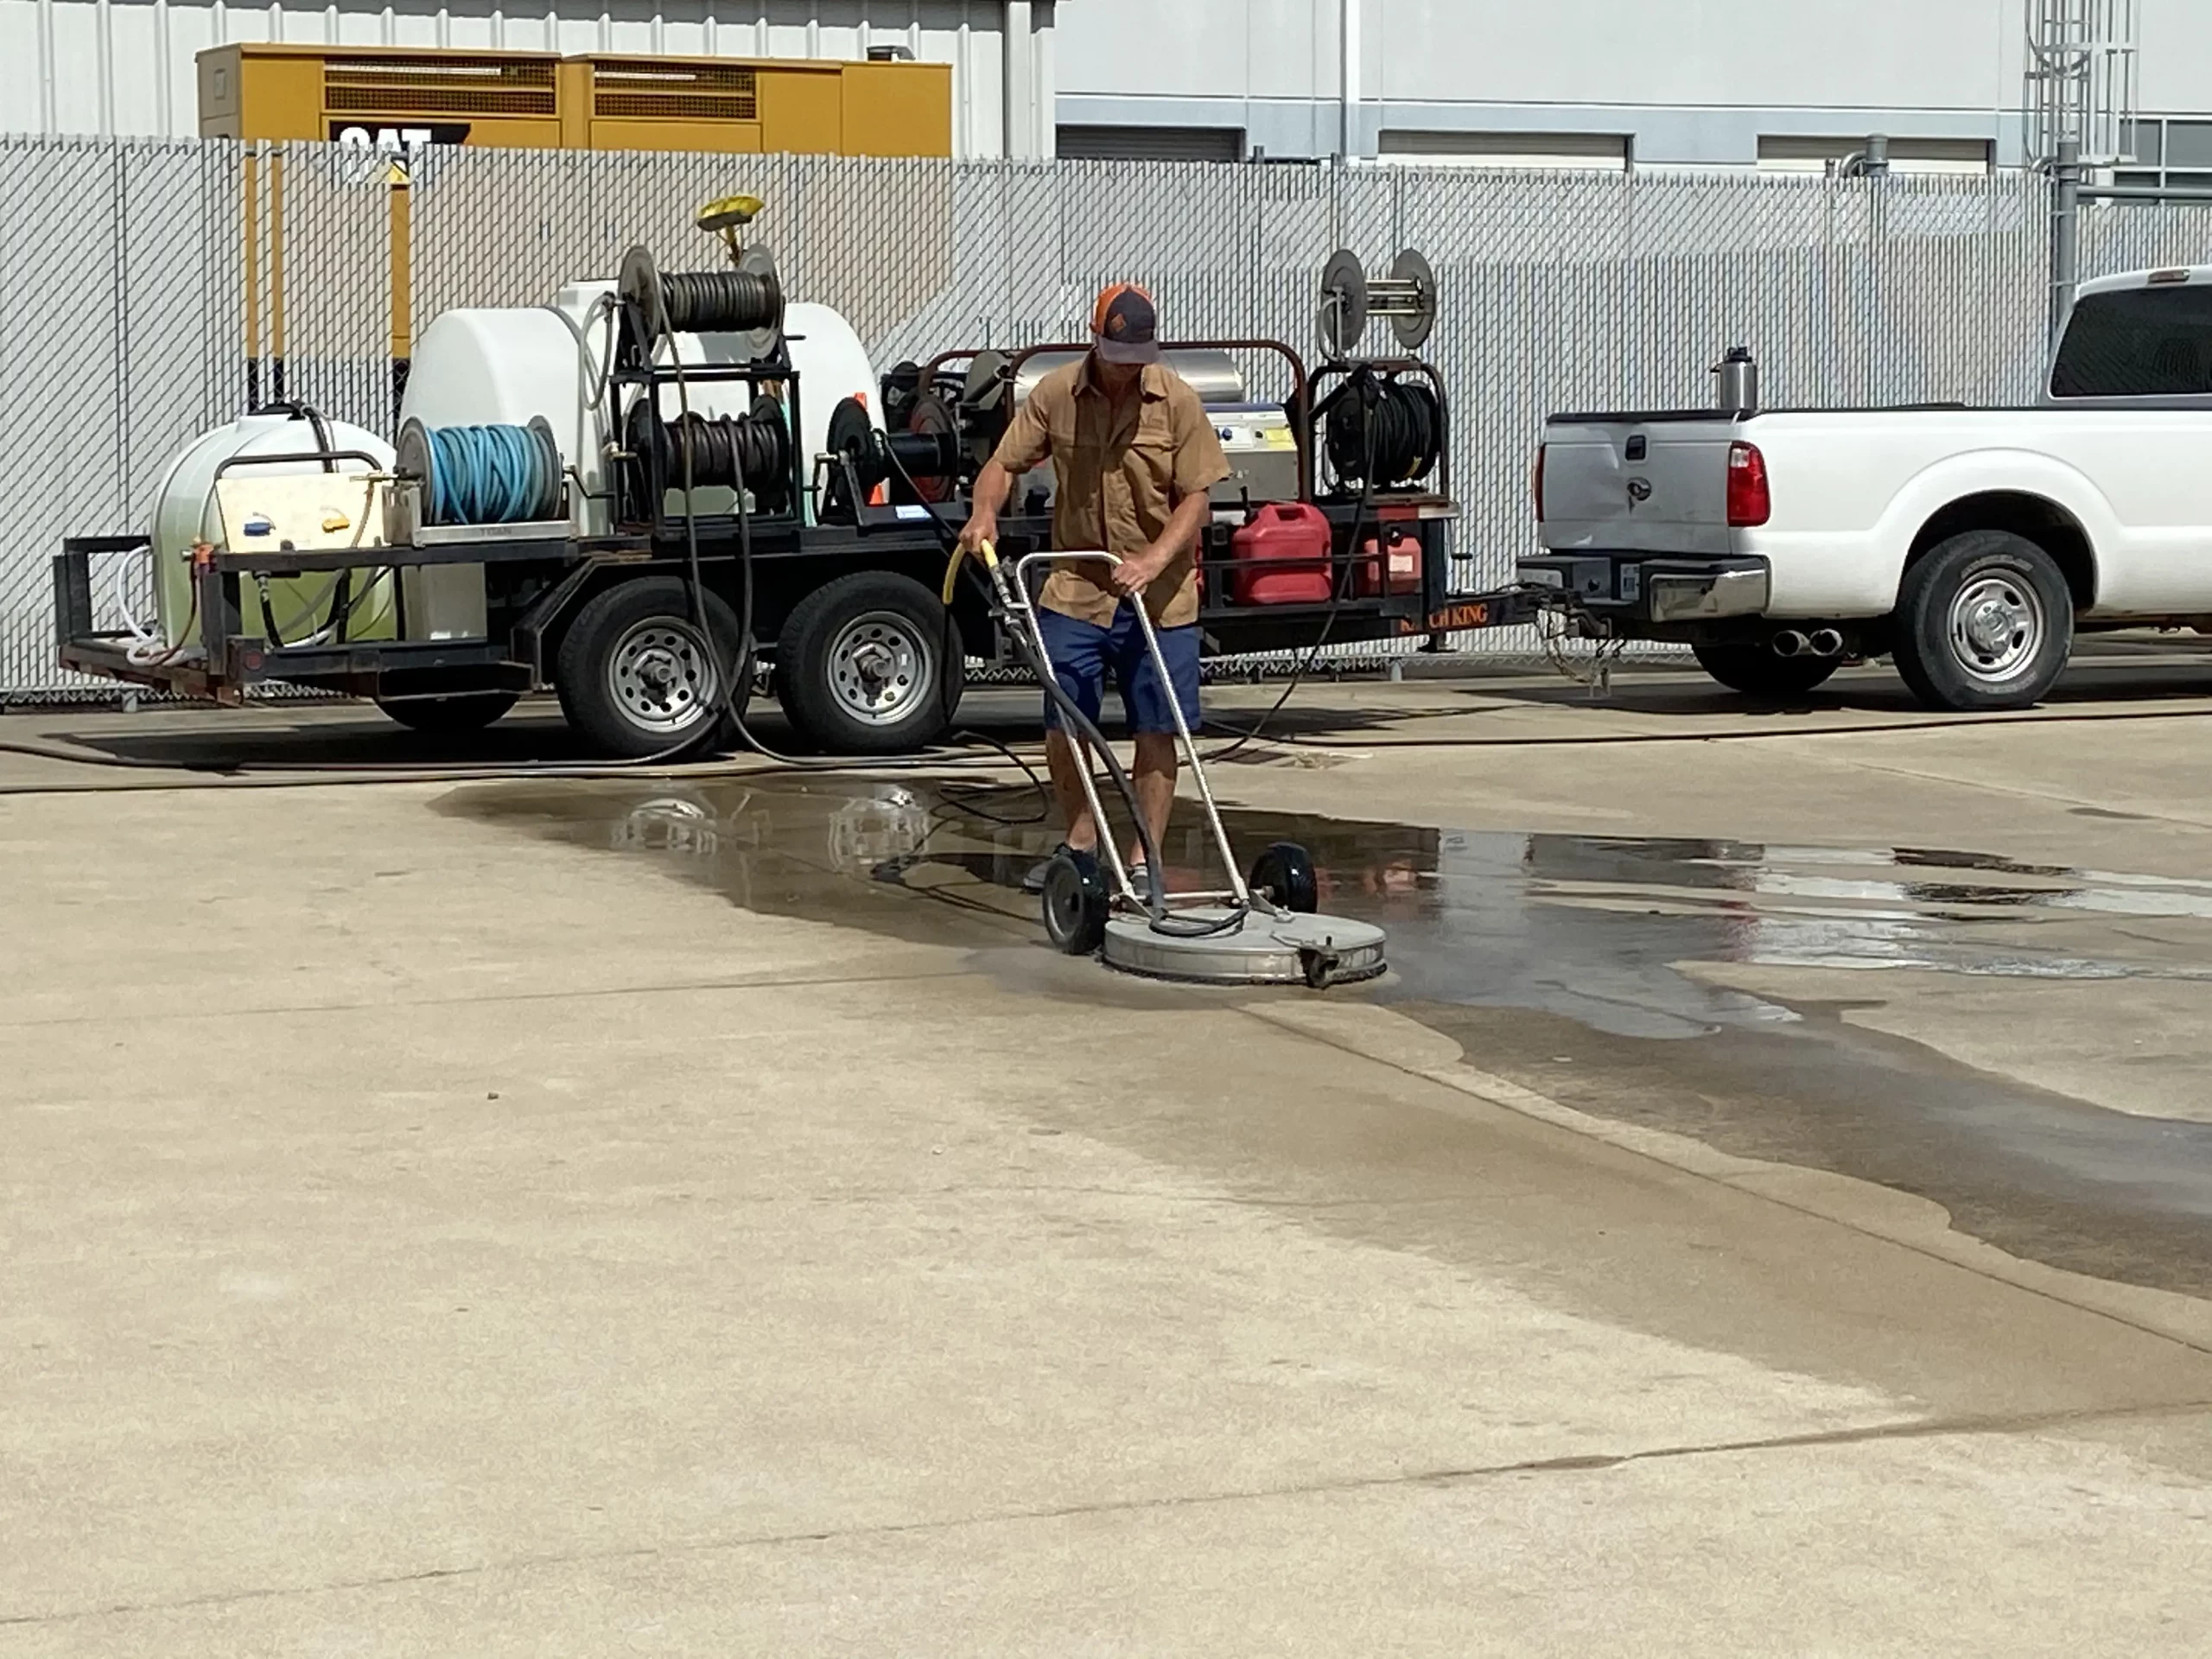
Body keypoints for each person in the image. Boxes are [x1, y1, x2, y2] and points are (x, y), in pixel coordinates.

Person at [957, 283, 1231, 898]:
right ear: (1095, 339)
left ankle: (1143, 860)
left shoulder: (1178, 402)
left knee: (1158, 728)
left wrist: (1156, 557)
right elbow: (1004, 464)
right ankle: (1081, 843)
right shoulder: (1056, 395)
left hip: (1159, 597)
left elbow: (1198, 499)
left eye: (1139, 357)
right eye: (1118, 355)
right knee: (1064, 720)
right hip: (1077, 589)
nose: (1130, 369)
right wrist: (984, 513)